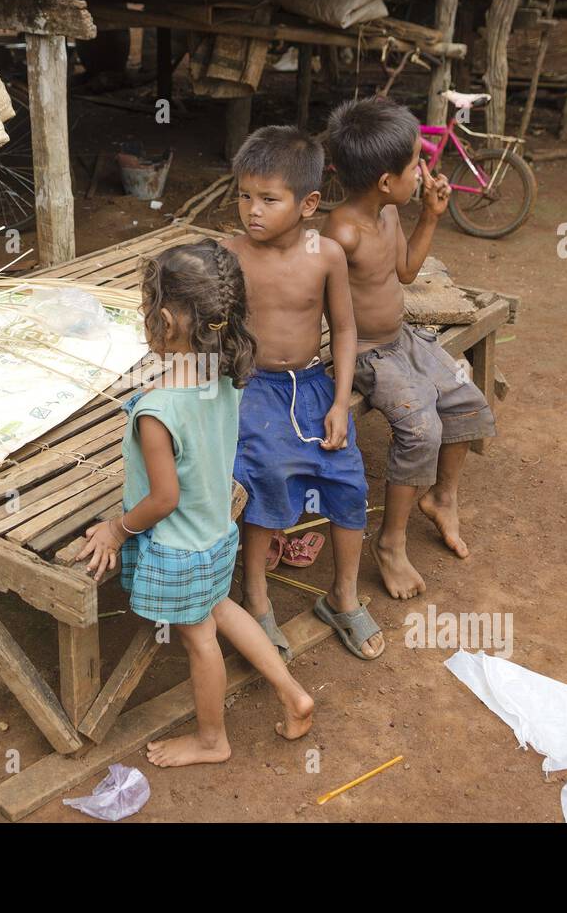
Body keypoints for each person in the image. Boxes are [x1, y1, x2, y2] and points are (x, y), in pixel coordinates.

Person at [78, 240, 314, 767]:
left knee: (200, 637)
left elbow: (163, 499)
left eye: (144, 311)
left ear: (165, 320)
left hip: (179, 545)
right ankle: (292, 692)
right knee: (219, 607)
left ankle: (213, 740)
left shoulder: (158, 409)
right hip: (214, 532)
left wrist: (117, 530)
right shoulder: (224, 373)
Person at [322, 96, 496, 600]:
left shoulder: (391, 213)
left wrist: (431, 216)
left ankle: (442, 497)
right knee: (422, 428)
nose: (423, 172)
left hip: (404, 339)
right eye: (414, 165)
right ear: (384, 181)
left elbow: (405, 272)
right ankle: (391, 543)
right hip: (368, 355)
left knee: (466, 398)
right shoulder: (341, 232)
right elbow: (325, 308)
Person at [223, 126, 384, 662]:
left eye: (269, 199)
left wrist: (340, 402)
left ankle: (342, 597)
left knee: (346, 478)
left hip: (315, 384)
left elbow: (343, 329)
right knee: (265, 474)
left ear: (309, 203)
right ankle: (258, 601)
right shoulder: (229, 255)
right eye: (244, 195)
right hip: (253, 387)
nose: (253, 210)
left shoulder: (327, 256)